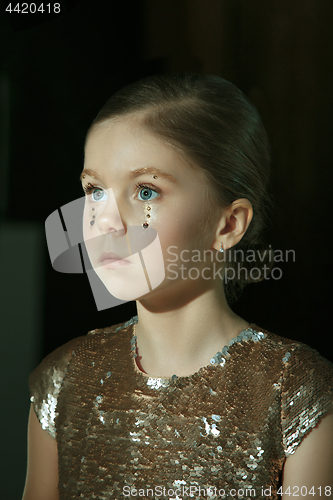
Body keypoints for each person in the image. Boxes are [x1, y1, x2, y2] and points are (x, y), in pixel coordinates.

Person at [22, 74, 333, 500]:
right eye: (94, 191)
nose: (106, 221)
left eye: (146, 190)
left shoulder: (291, 388)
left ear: (228, 224)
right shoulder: (64, 381)